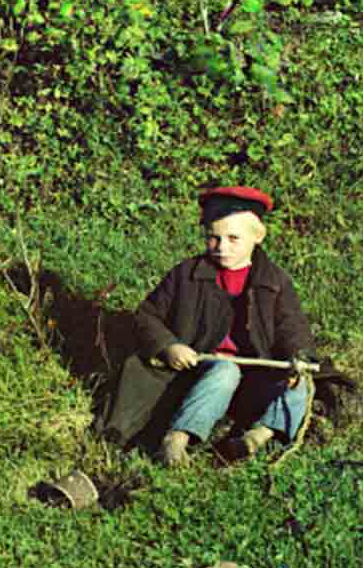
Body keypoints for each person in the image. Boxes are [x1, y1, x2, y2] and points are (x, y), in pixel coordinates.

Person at [101, 186, 316, 464]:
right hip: (201, 369)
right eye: (213, 238)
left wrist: (296, 358)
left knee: (299, 384)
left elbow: (292, 327)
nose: (222, 247)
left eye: (233, 238)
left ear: (258, 237)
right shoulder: (186, 274)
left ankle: (257, 436)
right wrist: (169, 346)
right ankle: (177, 438)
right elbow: (147, 315)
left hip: (254, 372)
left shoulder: (274, 281)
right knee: (225, 370)